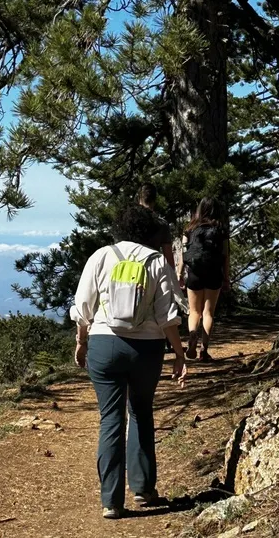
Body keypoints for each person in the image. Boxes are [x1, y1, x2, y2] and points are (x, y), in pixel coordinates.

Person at [71, 205, 187, 520]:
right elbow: (168, 316)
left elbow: (83, 308)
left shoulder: (101, 257)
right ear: (148, 231)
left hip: (104, 345)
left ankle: (111, 501)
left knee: (110, 420)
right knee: (140, 412)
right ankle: (143, 488)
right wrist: (178, 353)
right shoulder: (156, 262)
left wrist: (82, 342)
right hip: (146, 350)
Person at [180, 198, 230, 362]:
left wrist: (180, 275)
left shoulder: (189, 228)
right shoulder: (221, 230)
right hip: (214, 272)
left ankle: (193, 334)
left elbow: (183, 253)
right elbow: (225, 256)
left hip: (194, 271)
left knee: (194, 311)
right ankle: (204, 350)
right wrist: (226, 278)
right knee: (208, 313)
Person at [136, 184, 189, 316]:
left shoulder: (132, 221)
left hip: (131, 268)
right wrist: (176, 276)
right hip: (153, 270)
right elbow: (168, 255)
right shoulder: (161, 224)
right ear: (155, 200)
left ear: (139, 199)